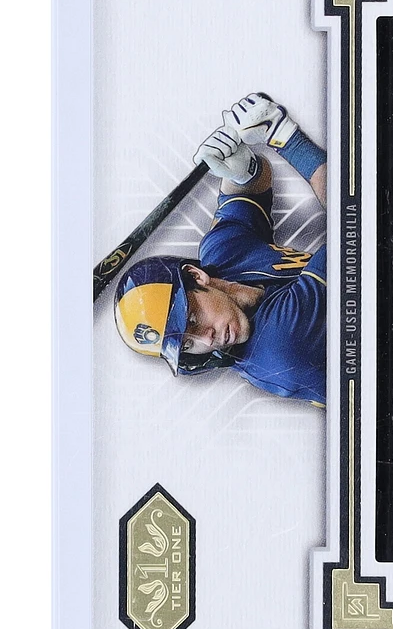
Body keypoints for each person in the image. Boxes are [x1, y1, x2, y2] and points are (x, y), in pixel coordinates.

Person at [113, 93, 328, 406]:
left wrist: (241, 170)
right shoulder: (279, 346)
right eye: (187, 345)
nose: (206, 339)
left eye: (191, 319)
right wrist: (285, 136)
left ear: (196, 276)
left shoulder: (222, 254)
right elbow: (359, 222)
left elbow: (253, 187)